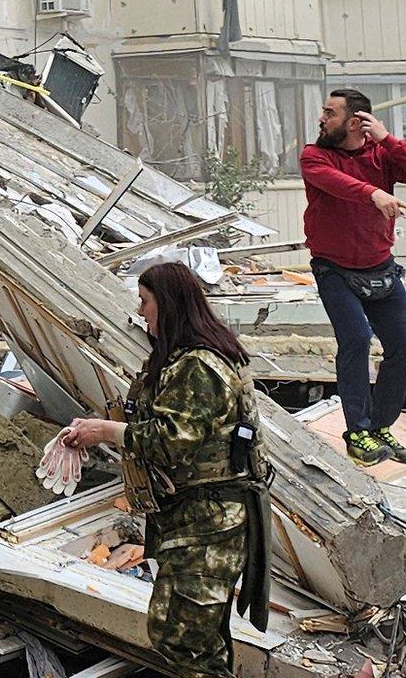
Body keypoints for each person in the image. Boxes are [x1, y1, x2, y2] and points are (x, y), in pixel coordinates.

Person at [61, 262, 270, 678]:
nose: (141, 312)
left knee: (184, 639)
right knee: (190, 638)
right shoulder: (179, 361)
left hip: (211, 523)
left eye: (145, 302)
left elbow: (173, 441)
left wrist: (106, 431)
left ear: (169, 305)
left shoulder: (200, 367)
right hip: (192, 520)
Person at [301, 88, 406, 467]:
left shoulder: (382, 154)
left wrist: (388, 138)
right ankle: (357, 430)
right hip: (334, 268)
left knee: (405, 348)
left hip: (380, 267)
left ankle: (380, 428)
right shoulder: (314, 156)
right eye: (324, 112)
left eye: (330, 113)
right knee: (357, 340)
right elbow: (335, 183)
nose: (321, 119)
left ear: (355, 122)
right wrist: (373, 193)